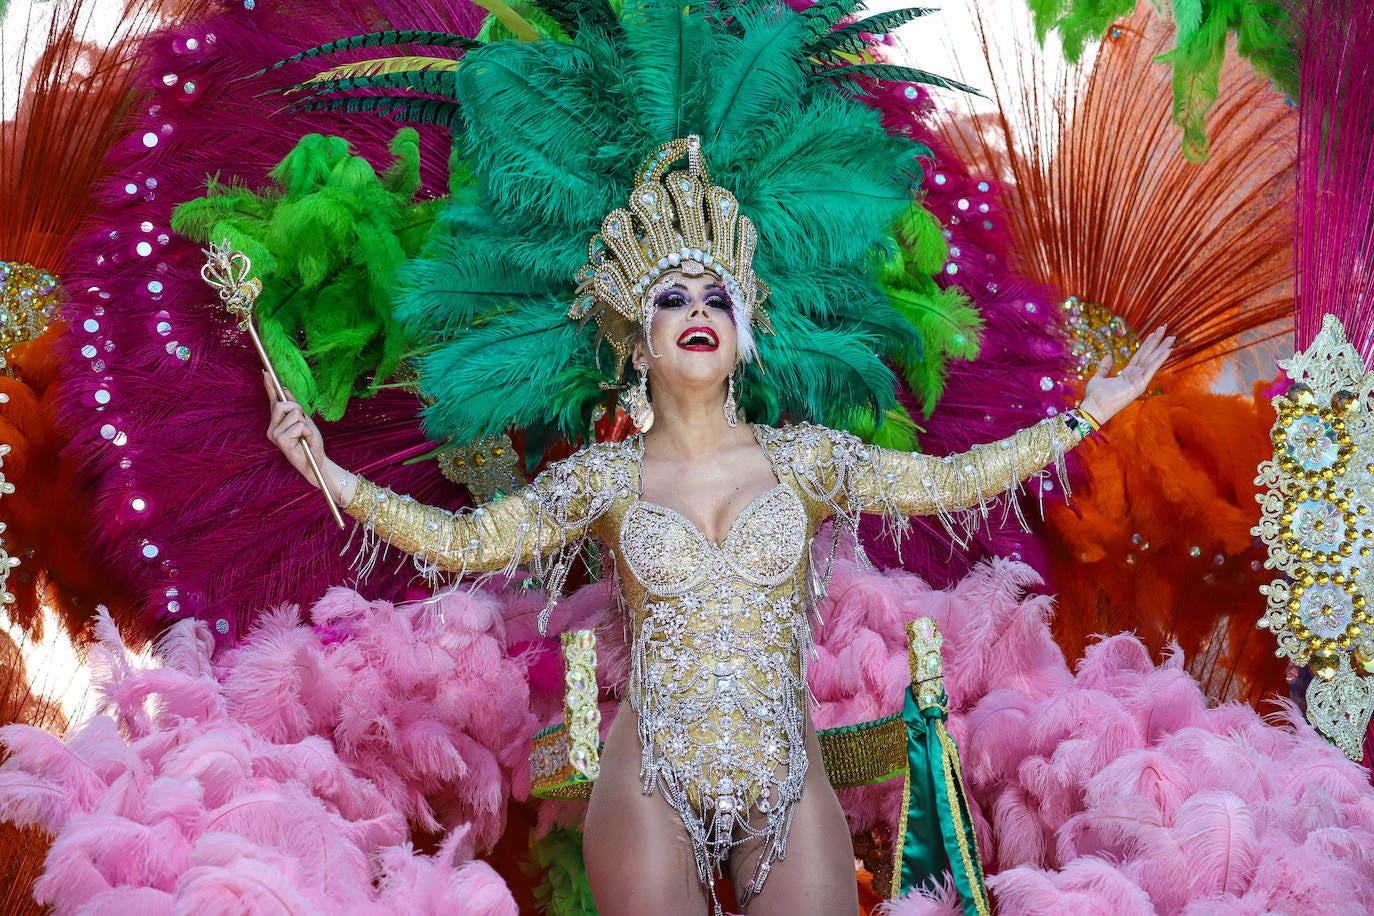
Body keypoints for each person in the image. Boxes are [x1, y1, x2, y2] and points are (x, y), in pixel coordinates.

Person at [264, 137, 1173, 916]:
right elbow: (465, 542)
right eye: (673, 298)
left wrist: (1081, 417)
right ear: (638, 339)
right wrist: (328, 474)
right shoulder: (604, 479)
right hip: (649, 776)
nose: (697, 310)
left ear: (744, 335)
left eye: (716, 298)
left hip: (784, 774)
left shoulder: (808, 460)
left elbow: (950, 482)